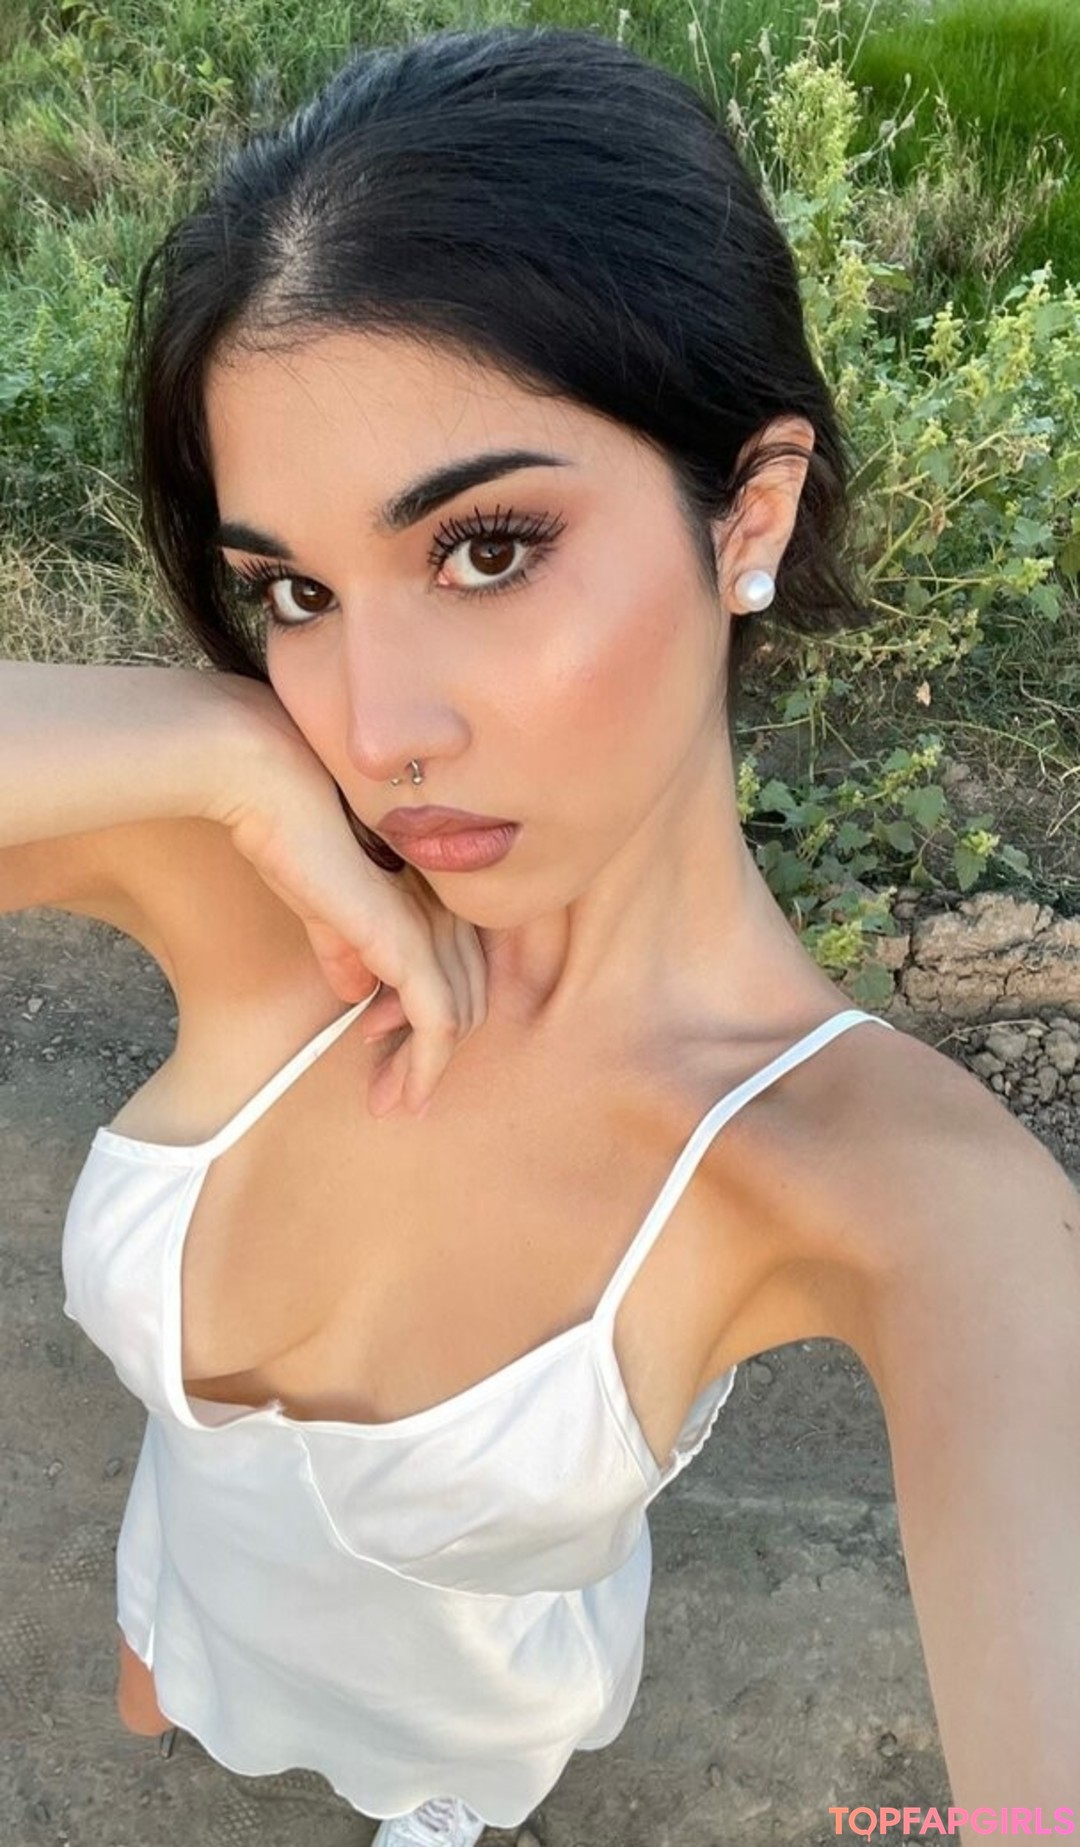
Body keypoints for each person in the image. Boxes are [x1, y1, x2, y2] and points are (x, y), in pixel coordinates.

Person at [2, 23, 1076, 1847]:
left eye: (485, 550)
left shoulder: (893, 1196)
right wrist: (210, 749)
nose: (376, 729)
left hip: (459, 1709)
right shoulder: (255, 873)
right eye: (294, 591)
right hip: (191, 1578)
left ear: (748, 514)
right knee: (167, 1655)